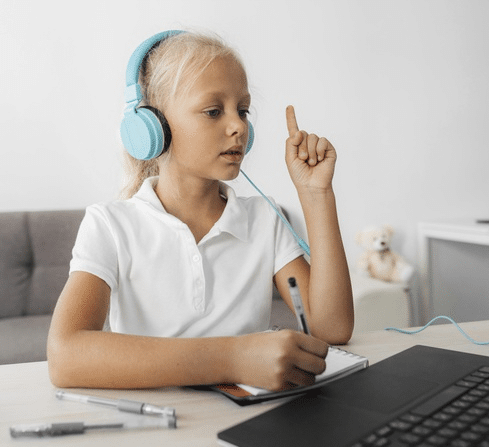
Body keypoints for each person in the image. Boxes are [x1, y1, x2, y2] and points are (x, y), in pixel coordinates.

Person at [47, 30, 354, 390]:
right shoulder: (111, 225)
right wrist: (232, 359)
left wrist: (316, 196)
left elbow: (333, 328)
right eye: (213, 111)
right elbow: (66, 355)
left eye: (242, 110)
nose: (239, 125)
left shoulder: (262, 219)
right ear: (153, 127)